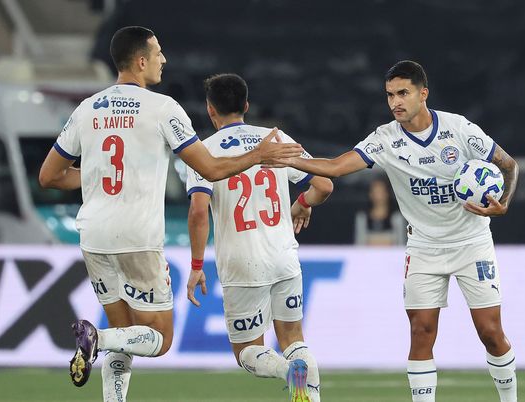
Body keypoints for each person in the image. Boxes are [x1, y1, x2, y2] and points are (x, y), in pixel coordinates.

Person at [37, 26, 303, 400]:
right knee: (158, 338)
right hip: (137, 237)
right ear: (141, 61)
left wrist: (99, 174)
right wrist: (258, 155)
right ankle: (97, 336)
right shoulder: (163, 109)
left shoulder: (87, 109)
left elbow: (49, 176)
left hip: (93, 235)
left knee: (125, 334)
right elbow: (210, 169)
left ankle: (107, 363)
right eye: (158, 53)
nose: (164, 60)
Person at [269, 60, 520, 402]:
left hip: (472, 243)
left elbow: (507, 164)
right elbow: (337, 167)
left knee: (490, 332)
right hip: (424, 247)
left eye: (403, 93)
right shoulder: (385, 139)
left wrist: (503, 201)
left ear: (423, 93)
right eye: (390, 95)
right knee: (421, 331)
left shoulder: (458, 129)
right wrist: (289, 160)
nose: (395, 102)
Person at [184, 73, 333, 402]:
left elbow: (198, 212)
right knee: (294, 339)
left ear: (210, 110)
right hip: (283, 256)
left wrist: (196, 265)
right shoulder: (276, 139)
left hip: (241, 264)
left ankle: (285, 372)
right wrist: (301, 204)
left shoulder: (203, 152)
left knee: (247, 351)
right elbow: (324, 185)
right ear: (246, 105)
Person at [354, 175, 406, 246]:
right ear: (370, 194)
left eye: (380, 192)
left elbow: (400, 244)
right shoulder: (363, 217)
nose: (378, 196)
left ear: (387, 193)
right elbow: (359, 244)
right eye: (375, 192)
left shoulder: (396, 217)